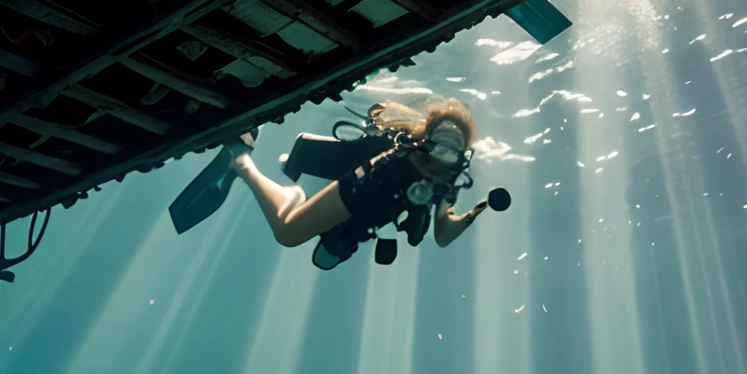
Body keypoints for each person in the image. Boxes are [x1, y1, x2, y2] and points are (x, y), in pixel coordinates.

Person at [169, 97, 506, 268]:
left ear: (463, 154)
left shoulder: (448, 183)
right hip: (357, 193)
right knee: (288, 233)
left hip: (365, 219)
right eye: (441, 141)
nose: (444, 152)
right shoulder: (405, 154)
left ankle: (294, 188)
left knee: (325, 260)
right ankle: (242, 163)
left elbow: (443, 234)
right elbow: (374, 168)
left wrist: (474, 212)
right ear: (426, 138)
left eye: (454, 148)